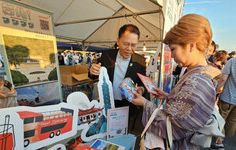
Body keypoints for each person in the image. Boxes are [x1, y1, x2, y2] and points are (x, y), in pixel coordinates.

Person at [132, 14, 220, 150]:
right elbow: (187, 107)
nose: (171, 55)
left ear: (191, 45)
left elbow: (173, 128)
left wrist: (145, 103)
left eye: (173, 49)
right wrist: (168, 96)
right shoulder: (200, 72)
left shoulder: (196, 82)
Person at [89, 24, 146, 130]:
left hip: (127, 105)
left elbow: (143, 84)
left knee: (122, 131)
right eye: (126, 44)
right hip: (107, 102)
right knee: (105, 130)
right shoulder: (107, 55)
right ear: (118, 41)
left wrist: (141, 89)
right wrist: (92, 70)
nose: (129, 49)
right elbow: (93, 76)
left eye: (133, 45)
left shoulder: (140, 61)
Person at [214, 57, 236, 149]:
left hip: (228, 97)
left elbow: (223, 79)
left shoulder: (232, 61)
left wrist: (215, 90)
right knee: (232, 121)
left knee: (221, 118)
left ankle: (219, 141)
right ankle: (225, 137)